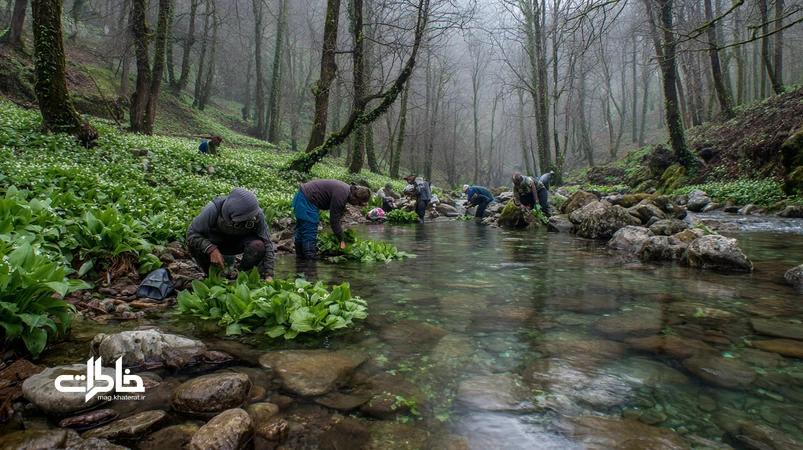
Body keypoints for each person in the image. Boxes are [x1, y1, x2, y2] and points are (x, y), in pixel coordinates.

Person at [187, 188, 274, 281]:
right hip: (216, 242)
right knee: (194, 245)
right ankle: (212, 274)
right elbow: (191, 233)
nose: (252, 217)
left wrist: (268, 273)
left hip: (240, 243)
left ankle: (242, 274)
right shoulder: (213, 209)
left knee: (258, 245)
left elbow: (267, 242)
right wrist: (210, 249)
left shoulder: (257, 213)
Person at [292, 179, 371, 260]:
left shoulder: (346, 190)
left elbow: (338, 214)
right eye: (358, 203)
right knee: (309, 229)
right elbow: (334, 220)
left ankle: (300, 257)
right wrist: (341, 239)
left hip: (302, 195)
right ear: (355, 197)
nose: (357, 205)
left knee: (301, 229)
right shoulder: (341, 195)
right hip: (307, 200)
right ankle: (309, 258)